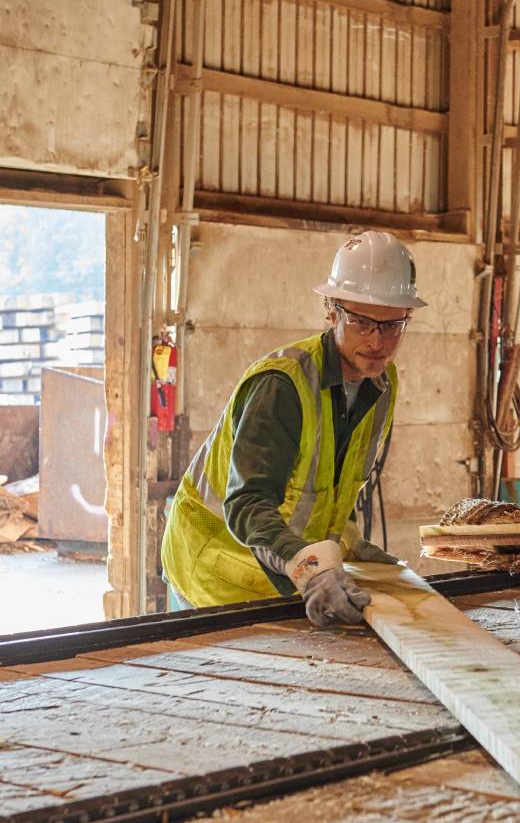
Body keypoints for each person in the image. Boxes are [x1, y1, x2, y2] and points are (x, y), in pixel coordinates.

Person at [161, 230, 425, 626]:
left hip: (280, 571)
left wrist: (347, 548)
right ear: (331, 311)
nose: (377, 342)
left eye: (392, 326)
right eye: (361, 322)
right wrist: (310, 569)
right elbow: (248, 504)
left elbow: (334, 489)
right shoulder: (281, 386)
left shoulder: (382, 383)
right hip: (215, 569)